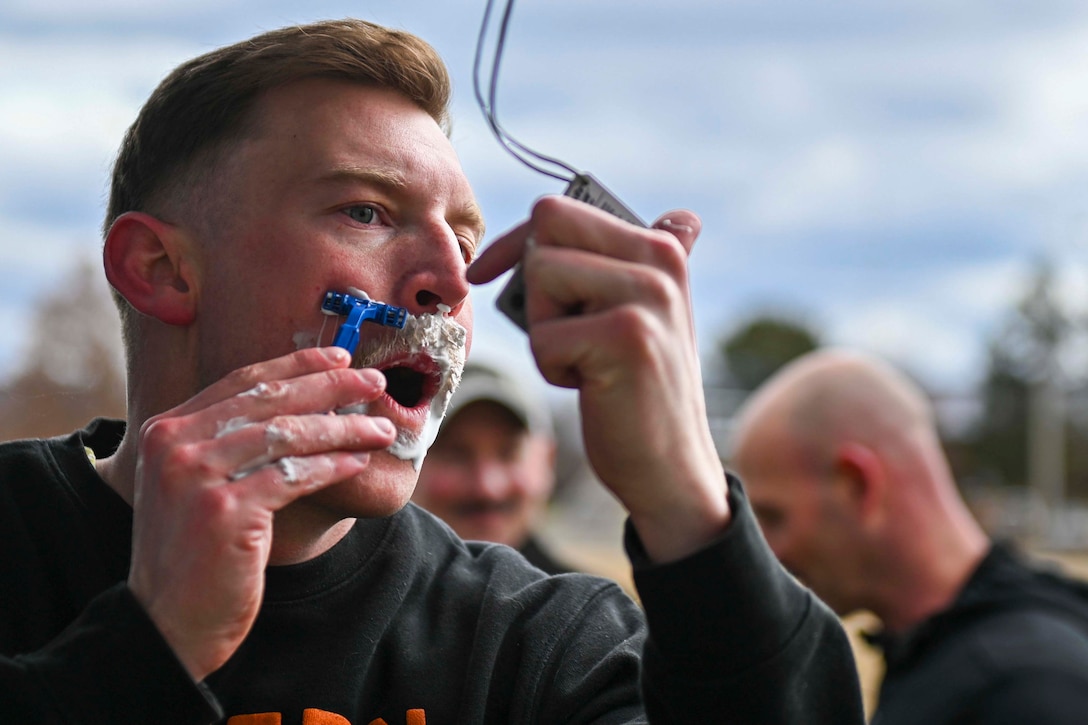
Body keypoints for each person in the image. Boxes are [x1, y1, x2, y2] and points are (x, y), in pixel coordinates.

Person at [0, 19, 863, 723]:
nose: (449, 285)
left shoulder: (531, 644)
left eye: (464, 238)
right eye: (367, 211)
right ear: (162, 268)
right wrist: (147, 650)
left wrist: (686, 496)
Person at [729, 348, 1088, 725]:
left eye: (774, 517)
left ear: (857, 485)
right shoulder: (946, 655)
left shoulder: (1027, 691)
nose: (769, 551)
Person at [413, 359, 573, 574]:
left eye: (509, 453)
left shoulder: (588, 605)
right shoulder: (365, 599)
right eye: (456, 454)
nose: (487, 488)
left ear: (548, 460)